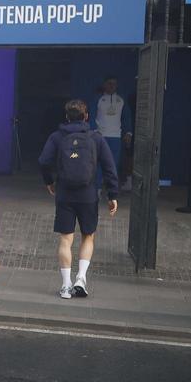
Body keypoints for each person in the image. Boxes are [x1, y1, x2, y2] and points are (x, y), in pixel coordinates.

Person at [38, 99, 119, 299]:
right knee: (87, 236)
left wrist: (49, 182)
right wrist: (113, 195)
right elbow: (110, 168)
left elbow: (43, 161)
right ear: (86, 117)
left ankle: (65, 286)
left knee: (66, 239)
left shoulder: (57, 137)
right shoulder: (96, 138)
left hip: (64, 194)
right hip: (88, 194)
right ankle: (80, 279)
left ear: (66, 117)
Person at [92, 76, 131, 193]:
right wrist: (94, 131)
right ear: (104, 84)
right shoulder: (98, 99)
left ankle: (111, 189)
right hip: (101, 136)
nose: (111, 86)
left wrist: (128, 132)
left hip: (116, 137)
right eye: (109, 83)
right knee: (98, 162)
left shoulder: (121, 100)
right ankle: (97, 188)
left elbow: (126, 117)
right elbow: (91, 115)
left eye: (114, 84)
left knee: (113, 164)